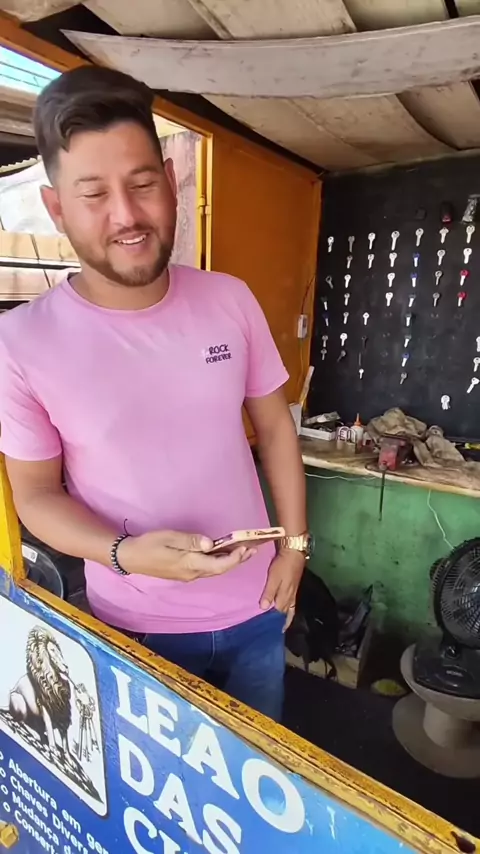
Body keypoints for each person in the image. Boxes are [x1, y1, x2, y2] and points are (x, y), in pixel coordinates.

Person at [0, 66, 311, 722]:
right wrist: (123, 555)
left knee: (263, 769)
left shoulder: (230, 299)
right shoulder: (21, 342)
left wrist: (295, 547)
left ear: (171, 183)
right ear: (57, 208)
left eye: (142, 185)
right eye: (94, 194)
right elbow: (35, 495)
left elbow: (276, 427)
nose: (127, 216)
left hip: (258, 608)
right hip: (134, 627)